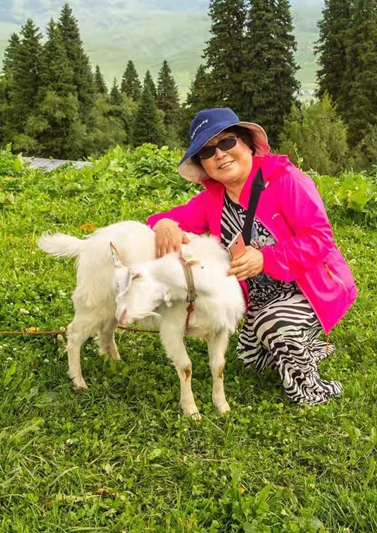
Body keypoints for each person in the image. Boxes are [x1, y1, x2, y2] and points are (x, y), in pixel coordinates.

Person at [146, 108, 357, 405]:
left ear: (247, 144)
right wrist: (164, 223)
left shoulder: (287, 181)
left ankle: (313, 393)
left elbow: (319, 237)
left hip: (308, 287)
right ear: (203, 164)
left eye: (227, 142)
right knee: (254, 362)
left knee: (277, 329)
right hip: (260, 298)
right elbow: (169, 218)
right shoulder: (213, 198)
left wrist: (266, 259)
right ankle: (301, 343)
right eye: (208, 150)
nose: (220, 154)